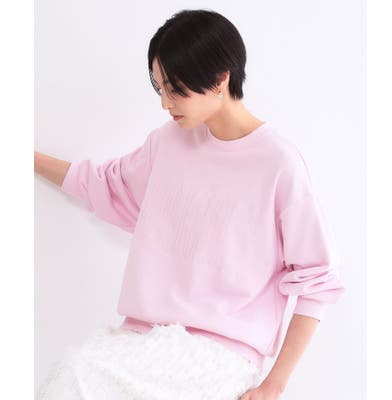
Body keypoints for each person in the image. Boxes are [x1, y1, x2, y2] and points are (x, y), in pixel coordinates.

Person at [35, 8, 346, 400]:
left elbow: (317, 280)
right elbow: (102, 184)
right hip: (141, 342)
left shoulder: (279, 163)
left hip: (222, 357)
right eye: (159, 89)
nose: (165, 103)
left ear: (220, 79)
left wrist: (273, 385)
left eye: (176, 89)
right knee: (72, 376)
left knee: (77, 377)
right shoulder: (168, 143)